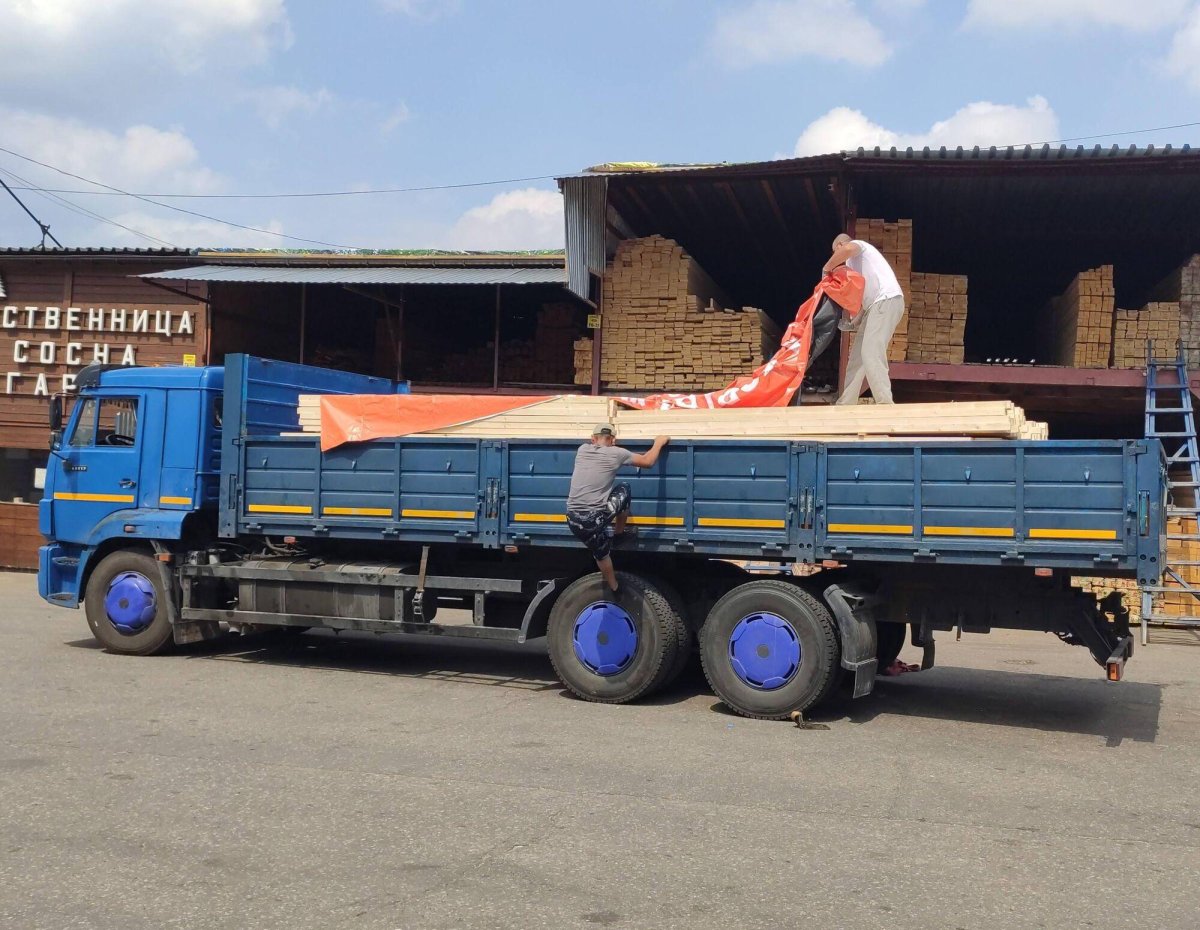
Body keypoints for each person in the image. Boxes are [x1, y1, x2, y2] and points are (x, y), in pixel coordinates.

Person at [565, 425, 669, 593]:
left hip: (572, 518)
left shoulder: (582, 450)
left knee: (601, 553)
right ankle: (619, 535)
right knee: (624, 489)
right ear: (613, 440)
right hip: (592, 520)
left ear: (592, 439)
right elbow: (648, 461)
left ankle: (614, 587)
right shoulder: (617, 453)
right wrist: (659, 443)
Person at [822, 232, 906, 405]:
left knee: (871, 352)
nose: (836, 255)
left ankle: (885, 403)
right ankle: (846, 404)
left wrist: (826, 269)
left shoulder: (859, 246)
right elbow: (867, 299)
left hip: (886, 301)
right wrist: (854, 322)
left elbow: (848, 248)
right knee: (857, 359)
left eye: (835, 251)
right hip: (874, 307)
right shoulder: (854, 265)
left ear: (840, 246)